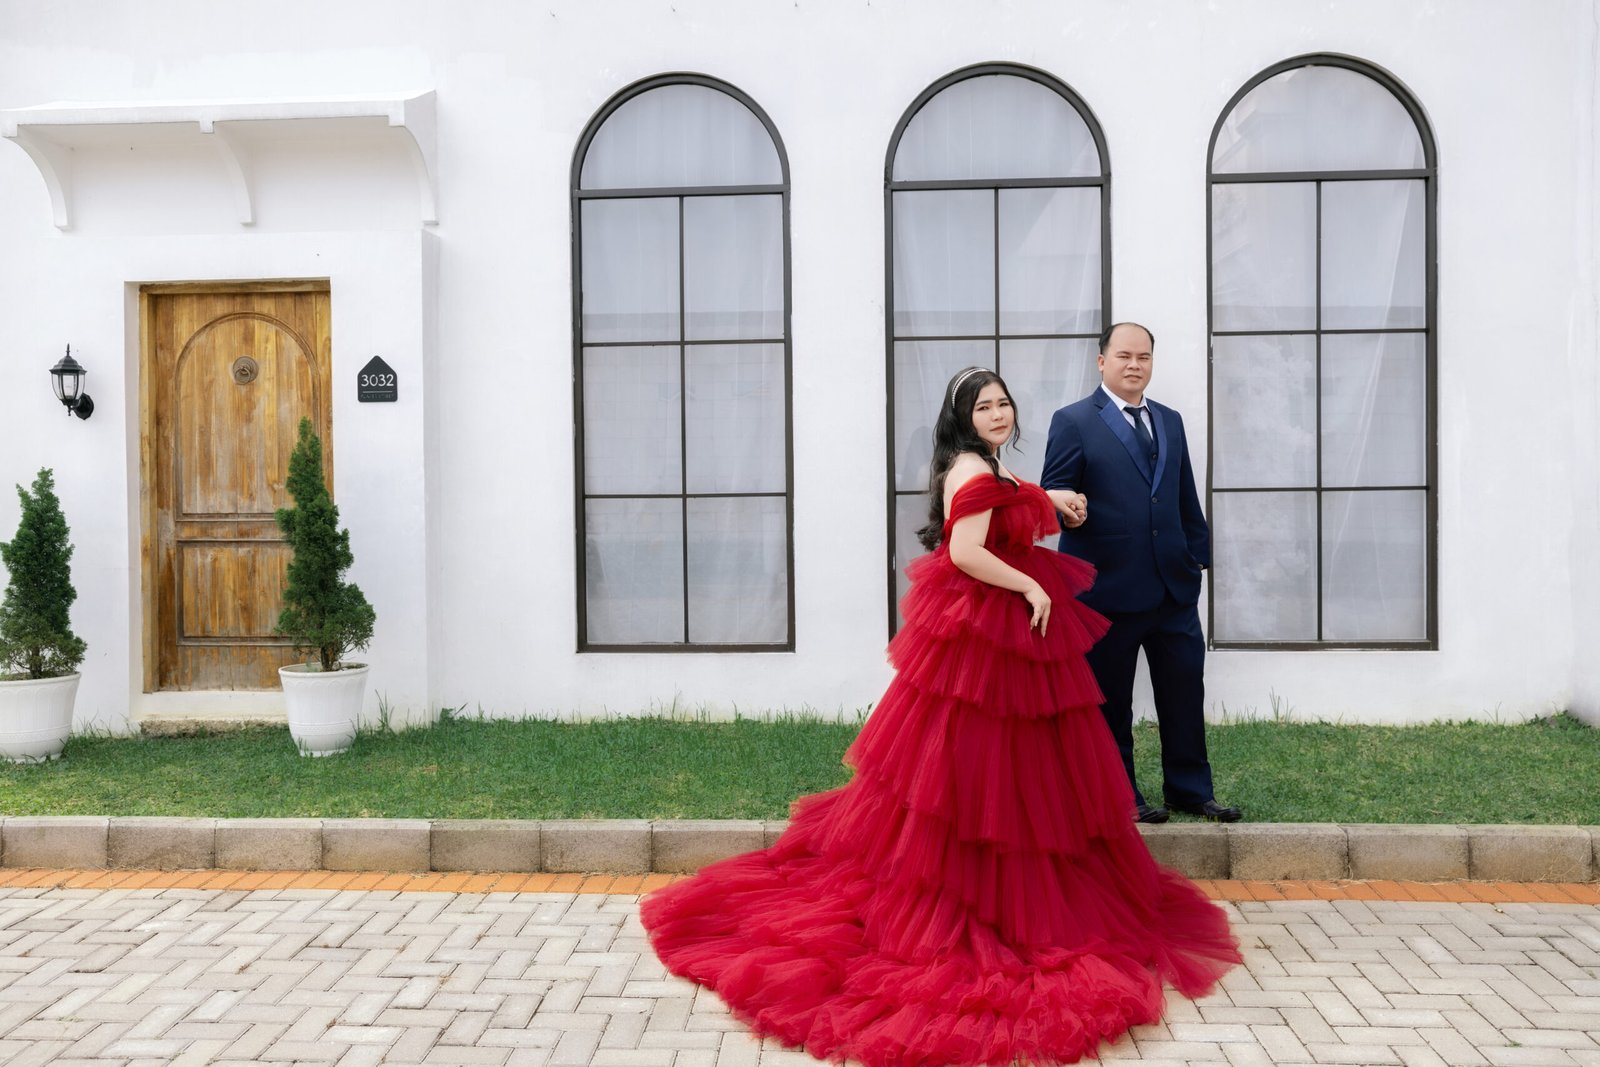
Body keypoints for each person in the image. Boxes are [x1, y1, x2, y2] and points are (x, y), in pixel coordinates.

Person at [642, 366, 1239, 1067]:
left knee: (1015, 762)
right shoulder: (970, 467)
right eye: (984, 406)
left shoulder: (987, 462)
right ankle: (974, 896)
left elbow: (1003, 500)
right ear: (963, 417)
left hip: (998, 625)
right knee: (975, 760)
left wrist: (1047, 498)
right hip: (989, 625)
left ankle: (1009, 880)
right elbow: (965, 550)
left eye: (1003, 403)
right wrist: (1030, 587)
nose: (998, 413)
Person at [1041, 323, 1241, 825]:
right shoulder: (1073, 421)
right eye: (1124, 355)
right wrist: (1069, 512)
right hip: (1105, 590)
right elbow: (1054, 492)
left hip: (1173, 588)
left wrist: (1198, 557)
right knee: (1111, 702)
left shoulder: (1169, 420)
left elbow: (1183, 493)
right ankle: (1120, 795)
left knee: (1184, 693)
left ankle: (1190, 790)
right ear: (1101, 361)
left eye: (1144, 357)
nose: (1135, 365)